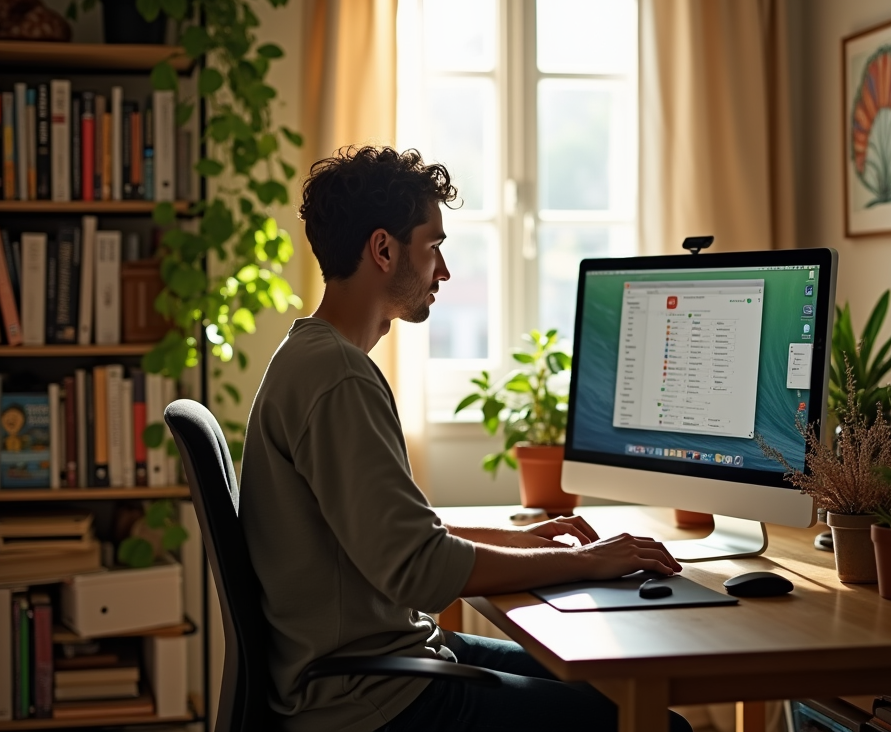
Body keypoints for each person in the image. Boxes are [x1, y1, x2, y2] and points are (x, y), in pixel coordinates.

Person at [239, 145, 690, 732]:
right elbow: (420, 569)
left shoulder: (312, 358)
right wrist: (587, 562)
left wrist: (532, 542)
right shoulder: (339, 378)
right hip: (373, 698)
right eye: (434, 247)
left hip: (378, 666)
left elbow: (400, 535)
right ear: (383, 249)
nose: (443, 271)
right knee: (658, 725)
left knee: (607, 678)